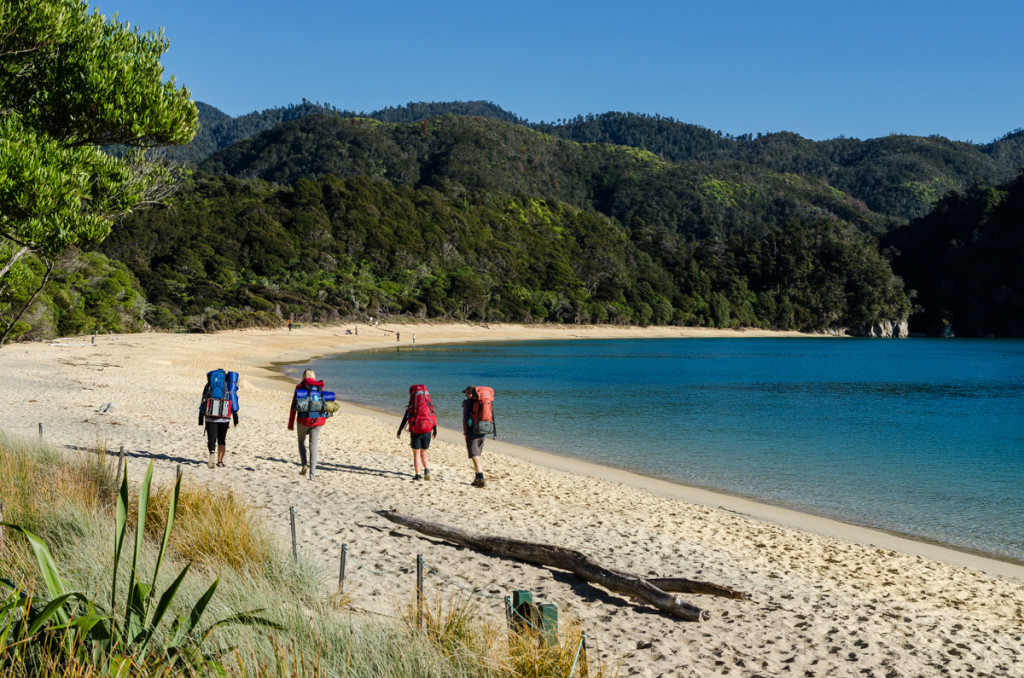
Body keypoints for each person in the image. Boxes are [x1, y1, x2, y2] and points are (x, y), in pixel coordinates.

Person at [288, 368, 328, 480]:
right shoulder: (320, 387)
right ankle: (312, 475)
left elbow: (293, 406)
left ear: (303, 376)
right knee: (313, 445)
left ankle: (304, 465)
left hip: (303, 420)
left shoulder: (300, 387)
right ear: (314, 376)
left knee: (301, 441)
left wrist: (290, 423)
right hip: (318, 420)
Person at [198, 369, 238, 469]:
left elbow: (203, 401)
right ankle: (220, 462)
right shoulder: (228, 386)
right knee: (221, 440)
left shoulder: (209, 386)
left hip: (211, 416)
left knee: (211, 439)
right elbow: (233, 402)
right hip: (224, 418)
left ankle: (212, 452)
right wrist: (235, 417)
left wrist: (200, 418)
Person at [396, 385, 437, 480]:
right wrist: (435, 431)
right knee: (424, 452)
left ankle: (417, 475)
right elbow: (433, 418)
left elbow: (404, 419)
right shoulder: (428, 405)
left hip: (415, 431)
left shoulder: (411, 407)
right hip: (427, 430)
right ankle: (427, 470)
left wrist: (399, 430)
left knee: (416, 454)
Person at [462, 386, 494, 487]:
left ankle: (481, 477)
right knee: (477, 455)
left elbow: (465, 419)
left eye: (467, 393)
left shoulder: (467, 403)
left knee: (475, 456)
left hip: (472, 432)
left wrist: (465, 432)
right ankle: (476, 478)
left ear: (471, 393)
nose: (466, 395)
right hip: (483, 431)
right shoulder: (482, 402)